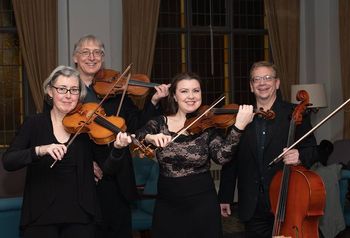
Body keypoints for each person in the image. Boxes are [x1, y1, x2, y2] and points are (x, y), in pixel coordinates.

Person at [2, 65, 133, 238]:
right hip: (41, 214)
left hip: (81, 214)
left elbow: (107, 170)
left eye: (74, 90)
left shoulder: (88, 128)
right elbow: (9, 161)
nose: (68, 95)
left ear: (80, 94)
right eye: (62, 89)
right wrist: (40, 150)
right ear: (50, 91)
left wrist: (117, 150)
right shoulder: (34, 124)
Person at [71, 34, 170, 238]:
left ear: (103, 58)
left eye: (98, 52)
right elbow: (57, 134)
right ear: (75, 57)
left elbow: (138, 125)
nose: (92, 57)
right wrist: (84, 161)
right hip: (82, 179)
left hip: (116, 178)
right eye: (85, 52)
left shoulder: (117, 93)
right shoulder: (66, 92)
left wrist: (153, 101)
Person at [135, 72, 254, 238]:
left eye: (196, 91)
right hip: (168, 204)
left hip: (202, 203)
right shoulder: (159, 123)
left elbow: (222, 157)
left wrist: (238, 127)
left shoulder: (207, 126)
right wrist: (150, 137)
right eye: (184, 91)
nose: (191, 96)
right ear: (174, 96)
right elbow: (138, 135)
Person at [218, 61, 319, 238]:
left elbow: (313, 149)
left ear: (277, 83)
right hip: (252, 203)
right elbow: (231, 159)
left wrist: (300, 155)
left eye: (267, 78)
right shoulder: (240, 117)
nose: (262, 83)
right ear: (251, 86)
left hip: (287, 199)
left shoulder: (295, 113)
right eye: (257, 79)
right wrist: (225, 196)